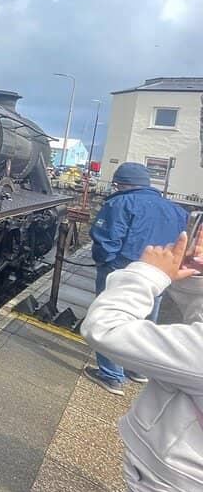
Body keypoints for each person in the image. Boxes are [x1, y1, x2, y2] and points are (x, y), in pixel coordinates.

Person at [81, 224, 203, 492]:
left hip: (169, 481)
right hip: (178, 472)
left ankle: (112, 374)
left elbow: (105, 328)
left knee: (129, 318)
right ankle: (134, 370)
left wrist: (147, 273)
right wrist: (197, 276)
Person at [85, 162, 188, 394]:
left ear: (121, 183)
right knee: (146, 320)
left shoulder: (119, 203)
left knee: (113, 318)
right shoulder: (176, 210)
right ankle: (138, 369)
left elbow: (107, 238)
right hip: (158, 273)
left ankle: (111, 375)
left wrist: (104, 261)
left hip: (123, 267)